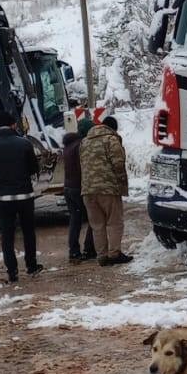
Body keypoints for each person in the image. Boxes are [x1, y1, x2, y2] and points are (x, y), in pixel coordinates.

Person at [0, 110, 42, 283]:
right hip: (24, 195)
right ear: (13, 125)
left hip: (4, 198)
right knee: (28, 232)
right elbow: (34, 168)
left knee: (7, 235)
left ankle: (12, 271)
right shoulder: (24, 144)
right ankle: (31, 266)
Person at [80, 112, 132, 266]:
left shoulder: (85, 141)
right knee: (114, 222)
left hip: (88, 191)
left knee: (97, 225)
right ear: (113, 128)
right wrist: (121, 183)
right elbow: (118, 164)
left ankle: (102, 256)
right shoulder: (111, 139)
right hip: (108, 189)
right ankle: (114, 254)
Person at [62, 120, 95, 263]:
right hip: (79, 188)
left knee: (75, 220)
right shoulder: (82, 145)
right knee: (94, 218)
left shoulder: (69, 145)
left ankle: (74, 251)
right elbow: (85, 167)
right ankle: (89, 248)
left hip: (68, 188)